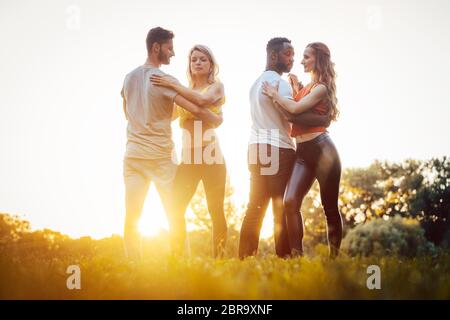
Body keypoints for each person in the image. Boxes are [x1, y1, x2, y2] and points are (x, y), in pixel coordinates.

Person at [121, 27, 222, 260]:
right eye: (169, 48)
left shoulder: (129, 78)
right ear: (156, 48)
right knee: (174, 213)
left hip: (133, 156)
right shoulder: (164, 80)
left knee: (132, 215)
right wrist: (216, 119)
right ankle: (181, 265)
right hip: (160, 159)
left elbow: (127, 112)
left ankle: (133, 269)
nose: (173, 53)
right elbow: (194, 107)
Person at [238, 37, 330, 259]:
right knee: (282, 206)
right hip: (277, 148)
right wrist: (324, 119)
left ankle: (244, 258)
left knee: (255, 206)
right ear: (273, 56)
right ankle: (286, 258)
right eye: (288, 54)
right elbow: (293, 114)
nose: (292, 59)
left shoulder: (255, 83)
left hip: (256, 147)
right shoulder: (280, 84)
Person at [262, 42, 343, 258]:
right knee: (290, 201)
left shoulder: (321, 87)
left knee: (329, 208)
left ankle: (334, 259)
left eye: (306, 57)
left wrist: (273, 93)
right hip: (303, 152)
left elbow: (294, 109)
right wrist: (297, 89)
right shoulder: (308, 87)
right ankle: (296, 257)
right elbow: (298, 112)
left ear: (318, 59)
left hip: (323, 150)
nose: (301, 61)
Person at [150, 45, 227, 258]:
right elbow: (167, 116)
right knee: (174, 208)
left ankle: (219, 261)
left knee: (215, 211)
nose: (198, 63)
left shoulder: (216, 87)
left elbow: (202, 102)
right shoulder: (182, 91)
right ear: (190, 65)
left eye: (203, 59)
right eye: (194, 60)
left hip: (212, 157)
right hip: (189, 160)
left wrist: (173, 86)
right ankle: (176, 260)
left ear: (211, 64)